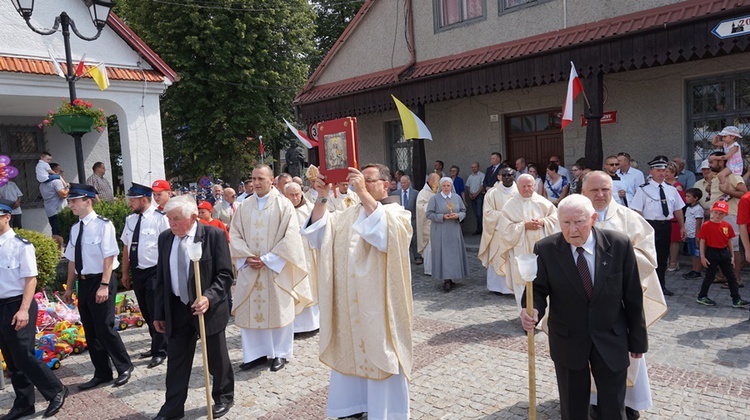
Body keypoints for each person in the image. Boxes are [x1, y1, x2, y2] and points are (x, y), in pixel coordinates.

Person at [520, 194, 648, 420]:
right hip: (568, 339)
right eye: (565, 223)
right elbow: (537, 290)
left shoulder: (619, 244)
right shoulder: (546, 249)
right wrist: (531, 310)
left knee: (613, 408)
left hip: (611, 338)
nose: (572, 230)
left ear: (593, 218)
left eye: (579, 222)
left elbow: (632, 295)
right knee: (573, 408)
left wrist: (638, 339)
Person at [301, 164, 413, 420]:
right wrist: (321, 197)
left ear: (386, 185)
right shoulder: (348, 214)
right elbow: (318, 234)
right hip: (349, 305)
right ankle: (351, 407)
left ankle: (385, 413)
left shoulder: (397, 214)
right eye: (358, 180)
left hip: (379, 306)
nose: (360, 184)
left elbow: (385, 234)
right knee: (348, 351)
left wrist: (362, 192)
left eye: (368, 181)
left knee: (380, 354)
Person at [580, 171, 666, 419]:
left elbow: (649, 258)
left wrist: (611, 260)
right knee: (589, 352)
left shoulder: (629, 219)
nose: (600, 195)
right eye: (594, 190)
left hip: (621, 302)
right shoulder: (574, 218)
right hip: (585, 302)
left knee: (626, 353)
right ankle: (596, 401)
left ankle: (629, 403)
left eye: (605, 189)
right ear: (583, 192)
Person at [152, 195, 235, 420]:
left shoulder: (213, 236)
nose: (172, 223)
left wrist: (208, 297)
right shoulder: (165, 239)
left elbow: (226, 275)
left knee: (216, 357)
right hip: (177, 308)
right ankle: (173, 407)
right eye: (169, 219)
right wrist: (159, 313)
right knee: (177, 360)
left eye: (177, 219)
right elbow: (161, 279)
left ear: (193, 217)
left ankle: (223, 396)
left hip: (207, 308)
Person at [229, 165, 311, 372]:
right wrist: (247, 258)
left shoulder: (284, 205)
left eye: (261, 179)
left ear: (271, 180)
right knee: (250, 312)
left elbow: (291, 237)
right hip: (250, 268)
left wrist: (267, 259)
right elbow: (235, 234)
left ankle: (280, 353)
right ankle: (254, 354)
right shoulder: (244, 206)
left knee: (279, 310)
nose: (256, 182)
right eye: (253, 178)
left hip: (275, 268)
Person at [0, 199, 68, 419]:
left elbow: (30, 279)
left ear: (7, 216)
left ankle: (56, 389)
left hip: (18, 304)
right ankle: (24, 403)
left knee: (23, 355)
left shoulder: (21, 245)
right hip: (0, 306)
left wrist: (23, 309)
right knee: (11, 358)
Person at [62, 184, 133, 390]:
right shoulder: (75, 229)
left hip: (100, 280)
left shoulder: (104, 225)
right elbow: (72, 261)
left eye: (74, 201)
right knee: (91, 329)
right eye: (70, 201)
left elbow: (109, 257)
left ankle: (124, 366)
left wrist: (103, 285)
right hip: (83, 282)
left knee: (104, 326)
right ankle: (102, 372)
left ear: (88, 201)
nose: (71, 205)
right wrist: (69, 288)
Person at [120, 183, 169, 369]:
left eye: (133, 200)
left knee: (156, 310)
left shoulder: (160, 219)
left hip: (155, 271)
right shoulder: (130, 220)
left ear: (144, 199)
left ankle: (160, 351)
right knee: (146, 311)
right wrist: (125, 271)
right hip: (138, 271)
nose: (130, 203)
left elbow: (167, 246)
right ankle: (156, 344)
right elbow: (126, 246)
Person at [498, 174, 558, 313]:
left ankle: (543, 316)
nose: (527, 189)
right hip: (521, 251)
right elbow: (505, 230)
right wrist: (524, 226)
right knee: (522, 284)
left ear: (534, 186)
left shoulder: (543, 202)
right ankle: (525, 315)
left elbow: (555, 220)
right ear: (518, 187)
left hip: (541, 251)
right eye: (523, 186)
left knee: (543, 282)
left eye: (529, 186)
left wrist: (543, 222)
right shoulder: (510, 205)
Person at [630, 156, 686, 296]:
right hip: (649, 226)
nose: (662, 173)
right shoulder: (643, 190)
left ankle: (661, 286)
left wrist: (682, 226)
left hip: (665, 225)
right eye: (658, 170)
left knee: (662, 258)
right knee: (648, 257)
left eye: (664, 170)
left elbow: (678, 209)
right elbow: (637, 211)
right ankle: (645, 287)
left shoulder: (671, 189)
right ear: (651, 172)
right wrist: (640, 230)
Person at [705, 151, 748, 288]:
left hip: (729, 215)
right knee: (718, 246)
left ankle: (736, 279)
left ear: (722, 162)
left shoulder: (734, 177)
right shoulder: (717, 177)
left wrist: (728, 192)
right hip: (716, 215)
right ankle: (722, 275)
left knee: (733, 247)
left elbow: (744, 194)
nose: (709, 165)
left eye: (712, 162)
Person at [696, 201, 750, 308]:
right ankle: (702, 296)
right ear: (712, 212)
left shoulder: (727, 226)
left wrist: (732, 256)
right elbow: (702, 241)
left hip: (724, 252)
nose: (718, 215)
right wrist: (702, 256)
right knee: (710, 276)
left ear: (725, 215)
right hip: (712, 252)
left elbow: (729, 240)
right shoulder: (707, 225)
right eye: (716, 213)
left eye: (721, 213)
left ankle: (736, 299)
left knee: (731, 276)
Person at [283, 182, 320, 333]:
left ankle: (312, 324)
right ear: (285, 196)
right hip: (290, 257)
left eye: (298, 194)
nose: (295, 197)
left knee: (311, 287)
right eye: (291, 195)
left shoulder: (310, 208)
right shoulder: (282, 210)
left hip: (309, 255)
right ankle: (295, 326)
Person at [478, 167, 517, 295]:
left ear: (514, 176)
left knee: (513, 260)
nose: (507, 177)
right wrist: (505, 215)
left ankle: (514, 287)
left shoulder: (519, 192)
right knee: (497, 258)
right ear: (499, 177)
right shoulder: (492, 193)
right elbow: (488, 213)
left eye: (509, 175)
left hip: (515, 233)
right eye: (504, 175)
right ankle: (497, 287)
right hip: (498, 232)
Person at [426, 177, 469, 292]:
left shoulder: (457, 197)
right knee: (443, 255)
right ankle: (446, 279)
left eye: (448, 186)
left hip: (454, 229)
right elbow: (429, 214)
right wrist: (442, 217)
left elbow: (463, 211)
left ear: (451, 186)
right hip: (440, 230)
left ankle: (453, 275)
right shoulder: (434, 199)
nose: (446, 188)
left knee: (454, 254)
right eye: (444, 186)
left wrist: (458, 216)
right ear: (440, 186)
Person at [39, 163, 68, 251]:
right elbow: (63, 195)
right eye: (58, 170)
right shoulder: (56, 182)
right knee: (60, 231)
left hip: (50, 210)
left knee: (55, 230)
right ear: (54, 171)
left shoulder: (42, 184)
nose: (59, 172)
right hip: (58, 210)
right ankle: (59, 251)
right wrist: (67, 187)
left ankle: (57, 251)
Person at [392, 175, 419, 263]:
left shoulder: (415, 193)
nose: (402, 185)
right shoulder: (395, 193)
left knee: (414, 239)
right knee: (402, 239)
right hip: (400, 220)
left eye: (404, 183)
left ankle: (417, 256)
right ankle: (404, 258)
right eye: (401, 183)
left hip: (412, 219)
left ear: (409, 183)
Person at [417, 173, 440, 276]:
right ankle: (429, 269)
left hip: (438, 224)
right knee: (429, 247)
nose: (437, 184)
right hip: (428, 225)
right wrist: (432, 207)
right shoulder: (423, 193)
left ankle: (439, 267)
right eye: (435, 181)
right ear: (430, 181)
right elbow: (420, 208)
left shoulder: (438, 192)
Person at [666, 161, 687, 272]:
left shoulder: (677, 187)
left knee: (674, 241)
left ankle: (673, 262)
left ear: (674, 173)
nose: (665, 174)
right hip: (664, 218)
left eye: (667, 172)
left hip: (674, 217)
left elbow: (680, 204)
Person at [682, 188, 705, 279]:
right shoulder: (688, 208)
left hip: (695, 235)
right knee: (692, 253)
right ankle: (694, 269)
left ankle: (697, 270)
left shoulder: (698, 209)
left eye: (688, 196)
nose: (686, 198)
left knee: (697, 253)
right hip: (689, 234)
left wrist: (697, 235)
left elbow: (698, 223)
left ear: (695, 198)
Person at [466, 162, 485, 235]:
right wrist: (470, 194)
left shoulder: (482, 175)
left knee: (480, 213)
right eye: (472, 167)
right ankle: (478, 229)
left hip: (479, 196)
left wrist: (476, 194)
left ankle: (481, 230)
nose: (473, 168)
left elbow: (482, 186)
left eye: (475, 167)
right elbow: (468, 186)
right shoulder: (470, 176)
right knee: (476, 214)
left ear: (478, 167)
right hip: (472, 197)